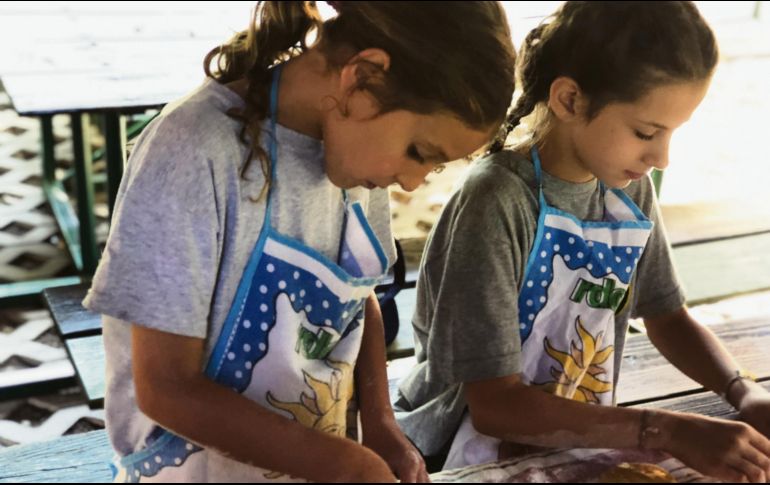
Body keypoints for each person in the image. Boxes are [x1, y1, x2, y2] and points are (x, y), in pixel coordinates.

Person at [83, 1, 516, 482]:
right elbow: (166, 388)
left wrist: (379, 422)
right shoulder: (192, 152)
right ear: (362, 78)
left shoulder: (353, 158)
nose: (412, 183)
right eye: (419, 152)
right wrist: (340, 461)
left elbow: (357, 297)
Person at [394, 2, 770, 482]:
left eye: (672, 133)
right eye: (646, 132)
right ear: (569, 99)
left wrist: (743, 392)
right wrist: (666, 431)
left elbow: (667, 315)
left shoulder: (627, 187)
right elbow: (494, 405)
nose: (662, 157)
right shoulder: (498, 201)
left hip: (577, 437)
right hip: (462, 453)